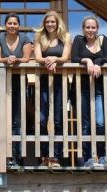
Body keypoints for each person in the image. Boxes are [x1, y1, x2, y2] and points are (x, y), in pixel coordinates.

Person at [0, 13, 32, 168]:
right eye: (9, 23)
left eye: (15, 23)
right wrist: (6, 60)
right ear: (5, 25)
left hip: (20, 83)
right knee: (2, 119)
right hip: (2, 83)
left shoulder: (25, 39)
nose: (12, 26)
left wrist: (16, 59)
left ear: (18, 26)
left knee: (18, 120)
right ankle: (4, 157)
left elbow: (27, 59)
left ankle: (17, 157)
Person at [71, 16, 107, 168]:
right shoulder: (78, 40)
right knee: (85, 124)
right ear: (83, 28)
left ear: (97, 29)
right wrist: (87, 61)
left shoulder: (103, 40)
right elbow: (74, 57)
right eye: (87, 27)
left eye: (93, 27)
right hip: (82, 88)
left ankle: (102, 156)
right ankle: (87, 157)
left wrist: (97, 62)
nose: (90, 30)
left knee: (100, 122)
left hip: (100, 88)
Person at [34, 10, 71, 168]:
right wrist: (48, 60)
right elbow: (37, 58)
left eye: (53, 22)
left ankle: (55, 157)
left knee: (58, 120)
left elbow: (65, 57)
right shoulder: (39, 38)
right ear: (44, 23)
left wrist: (55, 59)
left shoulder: (66, 37)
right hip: (43, 81)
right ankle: (44, 157)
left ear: (57, 23)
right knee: (42, 119)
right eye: (47, 22)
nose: (50, 24)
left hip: (60, 82)